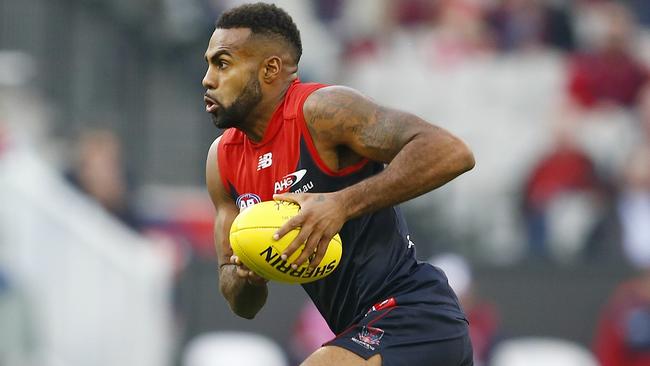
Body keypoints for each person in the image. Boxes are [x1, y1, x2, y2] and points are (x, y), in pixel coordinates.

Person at [203, 3, 475, 366]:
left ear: (270, 69)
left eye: (222, 63)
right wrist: (247, 275)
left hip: (415, 314)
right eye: (208, 64)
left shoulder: (323, 111)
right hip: (357, 328)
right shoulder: (221, 162)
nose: (207, 78)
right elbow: (242, 305)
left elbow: (451, 152)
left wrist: (340, 205)